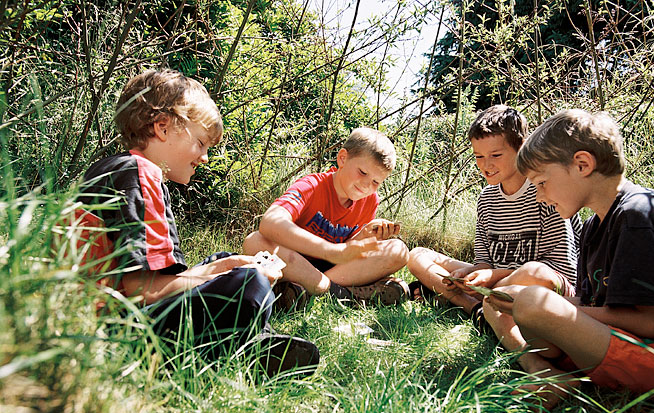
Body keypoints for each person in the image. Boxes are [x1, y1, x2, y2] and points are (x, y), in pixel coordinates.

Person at [66, 69, 319, 377]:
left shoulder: (117, 168)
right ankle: (246, 347)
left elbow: (156, 281)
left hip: (106, 319)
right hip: (117, 334)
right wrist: (247, 274)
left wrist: (224, 268)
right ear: (162, 127)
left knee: (225, 262)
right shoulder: (141, 174)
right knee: (246, 283)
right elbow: (143, 290)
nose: (205, 157)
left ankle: (249, 342)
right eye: (200, 143)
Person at [486, 109, 654, 409]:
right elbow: (593, 305)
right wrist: (523, 304)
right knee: (506, 305)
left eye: (541, 183)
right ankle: (549, 373)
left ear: (582, 164)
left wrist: (540, 305)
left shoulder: (637, 215)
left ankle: (554, 372)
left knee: (532, 303)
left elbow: (653, 323)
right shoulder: (591, 227)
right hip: (616, 347)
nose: (539, 196)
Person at [408, 105, 581, 323]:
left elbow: (561, 270)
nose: (486, 165)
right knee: (417, 255)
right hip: (496, 281)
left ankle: (452, 297)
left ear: (521, 147)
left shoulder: (545, 191)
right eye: (478, 156)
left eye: (496, 155)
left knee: (532, 274)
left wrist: (493, 277)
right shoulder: (487, 199)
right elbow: (484, 262)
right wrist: (468, 276)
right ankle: (474, 307)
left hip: (539, 284)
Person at [243, 127, 410, 308]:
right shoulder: (311, 186)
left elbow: (345, 252)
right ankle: (342, 293)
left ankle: (307, 290)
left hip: (332, 270)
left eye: (376, 182)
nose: (366, 185)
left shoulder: (369, 201)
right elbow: (269, 223)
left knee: (398, 250)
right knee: (254, 242)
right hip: (294, 262)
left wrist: (364, 236)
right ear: (343, 158)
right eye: (362, 172)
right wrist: (328, 250)